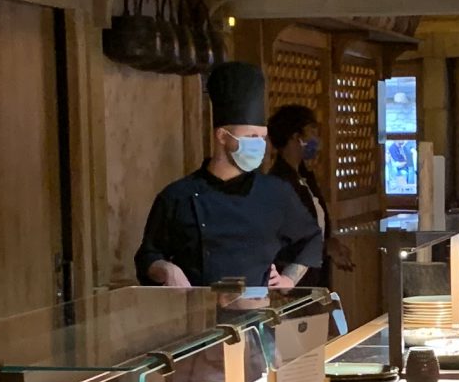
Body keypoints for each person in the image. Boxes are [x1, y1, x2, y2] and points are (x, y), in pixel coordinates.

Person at [136, 62, 323, 292]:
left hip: (259, 310)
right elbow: (148, 255)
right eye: (251, 136)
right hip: (198, 311)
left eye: (262, 137)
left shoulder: (276, 192)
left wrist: (289, 279)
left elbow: (311, 238)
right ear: (222, 137)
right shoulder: (178, 195)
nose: (259, 144)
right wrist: (166, 268)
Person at [265, 103, 354, 294]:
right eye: (312, 131)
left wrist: (331, 245)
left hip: (315, 279)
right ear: (296, 137)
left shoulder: (305, 177)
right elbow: (282, 240)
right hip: (290, 283)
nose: (316, 139)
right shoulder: (278, 182)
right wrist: (324, 248)